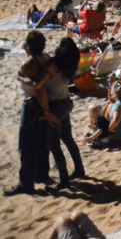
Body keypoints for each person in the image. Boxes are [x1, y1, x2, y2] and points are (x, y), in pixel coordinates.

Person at [35, 38, 85, 187]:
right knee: (68, 138)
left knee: (54, 144)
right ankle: (79, 169)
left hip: (56, 106)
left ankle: (64, 180)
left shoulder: (54, 64)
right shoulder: (69, 66)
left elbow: (39, 84)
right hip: (66, 103)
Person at [5, 31, 49, 196]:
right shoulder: (45, 58)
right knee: (41, 141)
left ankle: (26, 183)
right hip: (42, 105)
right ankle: (41, 174)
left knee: (25, 146)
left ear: (29, 46)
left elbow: (37, 86)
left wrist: (20, 76)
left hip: (31, 105)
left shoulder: (29, 64)